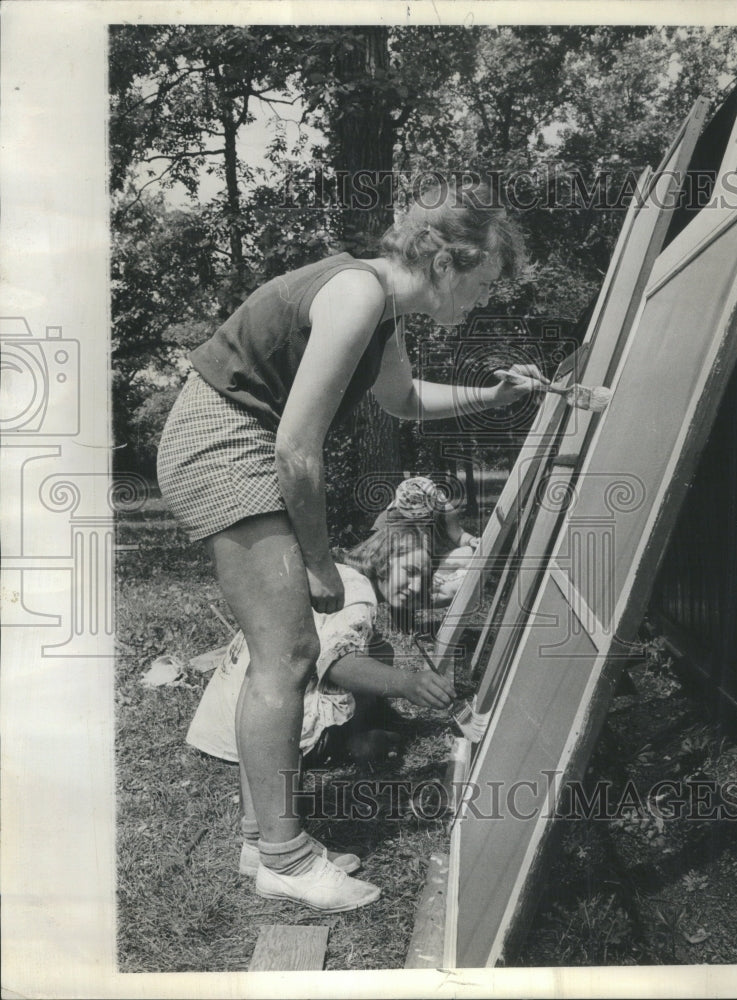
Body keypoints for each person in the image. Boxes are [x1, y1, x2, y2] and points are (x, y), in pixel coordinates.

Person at [157, 177, 547, 912]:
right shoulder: (356, 293)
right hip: (223, 442)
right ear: (442, 261)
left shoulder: (382, 316)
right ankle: (283, 858)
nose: (484, 298)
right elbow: (296, 449)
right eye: (483, 280)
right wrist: (314, 563)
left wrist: (493, 398)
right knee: (291, 652)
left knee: (284, 651)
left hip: (239, 439)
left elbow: (402, 401)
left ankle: (261, 839)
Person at [186, 521, 455, 881]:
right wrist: (407, 684)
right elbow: (336, 662)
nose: (417, 585)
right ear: (383, 558)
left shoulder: (341, 577)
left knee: (379, 650)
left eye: (424, 577)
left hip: (227, 722)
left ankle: (256, 838)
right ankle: (286, 840)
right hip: (262, 728)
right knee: (371, 661)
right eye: (410, 571)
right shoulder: (357, 594)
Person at [372, 475, 480, 607]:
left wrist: (471, 540)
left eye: (424, 515)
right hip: (404, 571)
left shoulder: (444, 508)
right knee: (447, 590)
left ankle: (426, 593)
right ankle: (404, 606)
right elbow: (379, 561)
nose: (421, 520)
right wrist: (423, 577)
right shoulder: (387, 520)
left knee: (471, 552)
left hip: (432, 562)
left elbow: (458, 535)